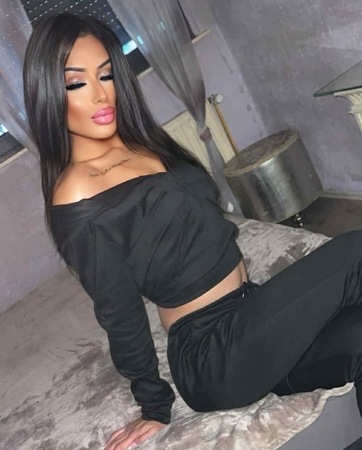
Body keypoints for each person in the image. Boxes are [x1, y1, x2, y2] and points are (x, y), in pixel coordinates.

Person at [23, 12, 362, 450]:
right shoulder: (77, 194)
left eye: (106, 74)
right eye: (76, 83)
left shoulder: (145, 145)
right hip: (213, 354)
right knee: (354, 252)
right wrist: (153, 406)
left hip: (252, 317)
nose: (100, 93)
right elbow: (119, 313)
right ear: (49, 94)